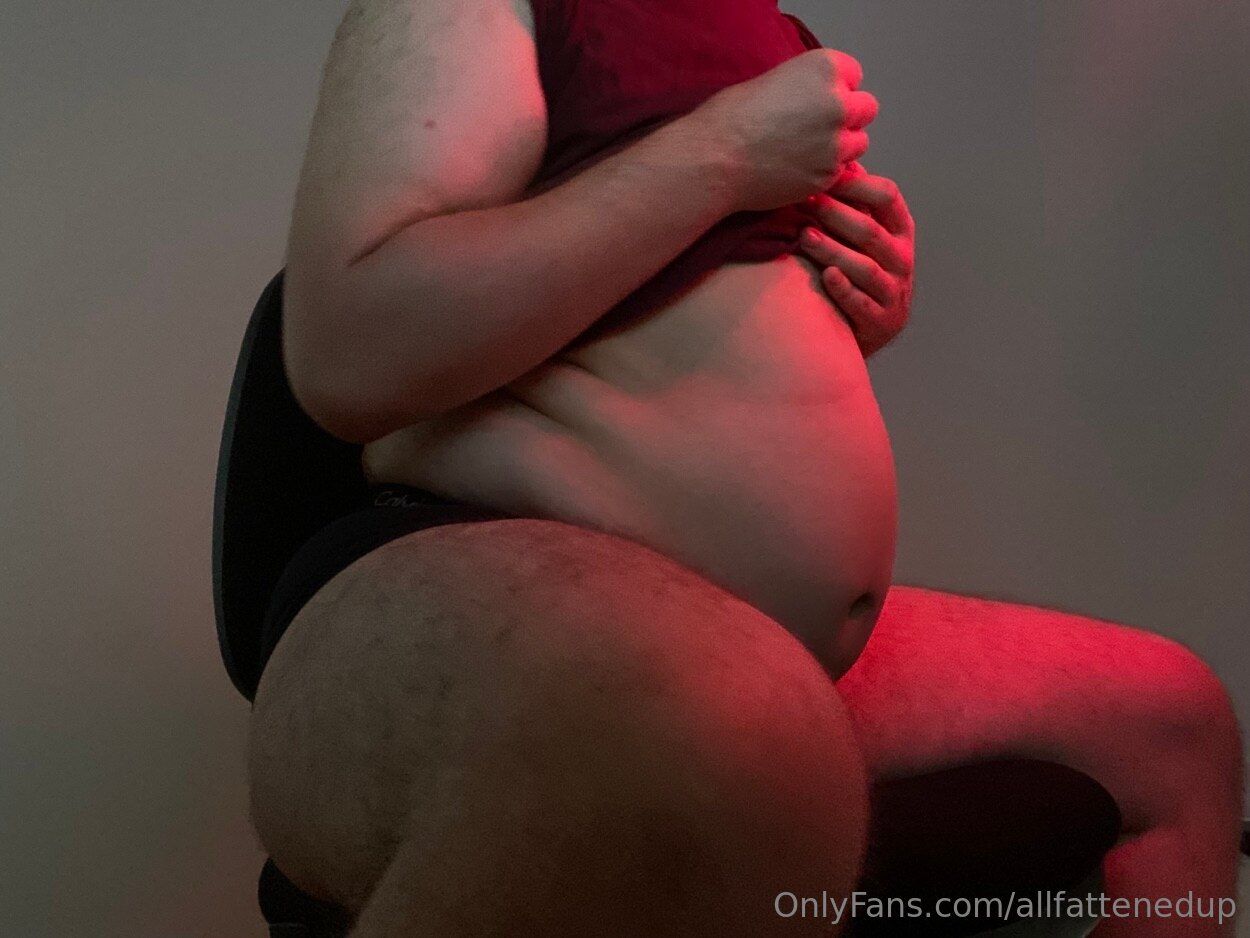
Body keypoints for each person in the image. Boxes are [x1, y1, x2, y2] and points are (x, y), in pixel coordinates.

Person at [244, 0, 1244, 934]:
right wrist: (723, 153)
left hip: (755, 643)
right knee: (728, 733)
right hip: (475, 562)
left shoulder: (773, 36)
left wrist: (847, 304)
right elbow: (349, 353)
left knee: (1172, 721)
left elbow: (667, 328)